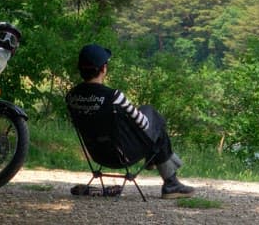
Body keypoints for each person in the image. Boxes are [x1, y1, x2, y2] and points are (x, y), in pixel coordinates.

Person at [66, 44, 195, 199]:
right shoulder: (114, 96)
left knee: (151, 121)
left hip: (98, 155)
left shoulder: (71, 96)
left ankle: (161, 170)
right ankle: (169, 181)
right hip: (122, 156)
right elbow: (144, 124)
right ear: (103, 69)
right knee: (154, 119)